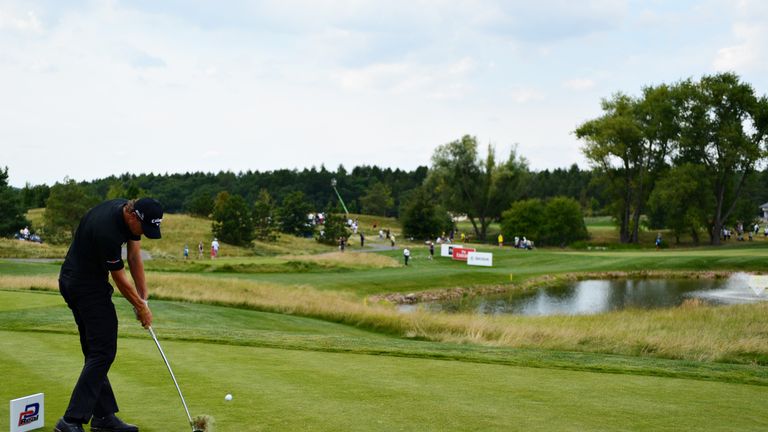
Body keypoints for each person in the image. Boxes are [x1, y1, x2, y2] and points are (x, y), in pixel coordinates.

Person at [55, 198, 163, 432]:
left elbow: (134, 258)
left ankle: (103, 417)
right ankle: (71, 420)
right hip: (83, 285)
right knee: (103, 351)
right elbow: (120, 279)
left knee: (96, 353)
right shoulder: (108, 230)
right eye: (144, 229)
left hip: (83, 282)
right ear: (133, 217)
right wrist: (140, 308)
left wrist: (143, 298)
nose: (143, 234)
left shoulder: (130, 215)